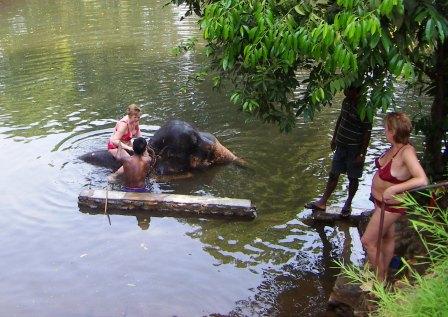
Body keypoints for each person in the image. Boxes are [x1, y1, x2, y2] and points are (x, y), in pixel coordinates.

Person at [361, 112, 427, 281]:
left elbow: (422, 179)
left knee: (368, 241)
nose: (384, 131)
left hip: (390, 206)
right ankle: (385, 271)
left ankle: (380, 280)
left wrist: (395, 189)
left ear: (392, 131)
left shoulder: (407, 152)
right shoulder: (394, 147)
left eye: (385, 128)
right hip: (379, 202)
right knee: (387, 237)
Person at [305, 86, 372, 217]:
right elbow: (340, 119)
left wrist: (362, 154)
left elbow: (367, 133)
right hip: (341, 145)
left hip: (354, 147)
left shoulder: (365, 108)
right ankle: (323, 201)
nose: (345, 92)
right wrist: (334, 138)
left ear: (357, 92)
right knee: (333, 173)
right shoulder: (346, 101)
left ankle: (348, 204)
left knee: (353, 177)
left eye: (349, 90)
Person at [107, 104, 142, 178]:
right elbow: (114, 140)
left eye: (138, 117)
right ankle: (113, 176)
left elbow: (138, 132)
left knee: (143, 154)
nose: (137, 119)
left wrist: (142, 142)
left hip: (128, 143)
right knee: (131, 161)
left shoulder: (136, 121)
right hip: (116, 146)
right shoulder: (123, 124)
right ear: (130, 116)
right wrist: (128, 148)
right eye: (135, 117)